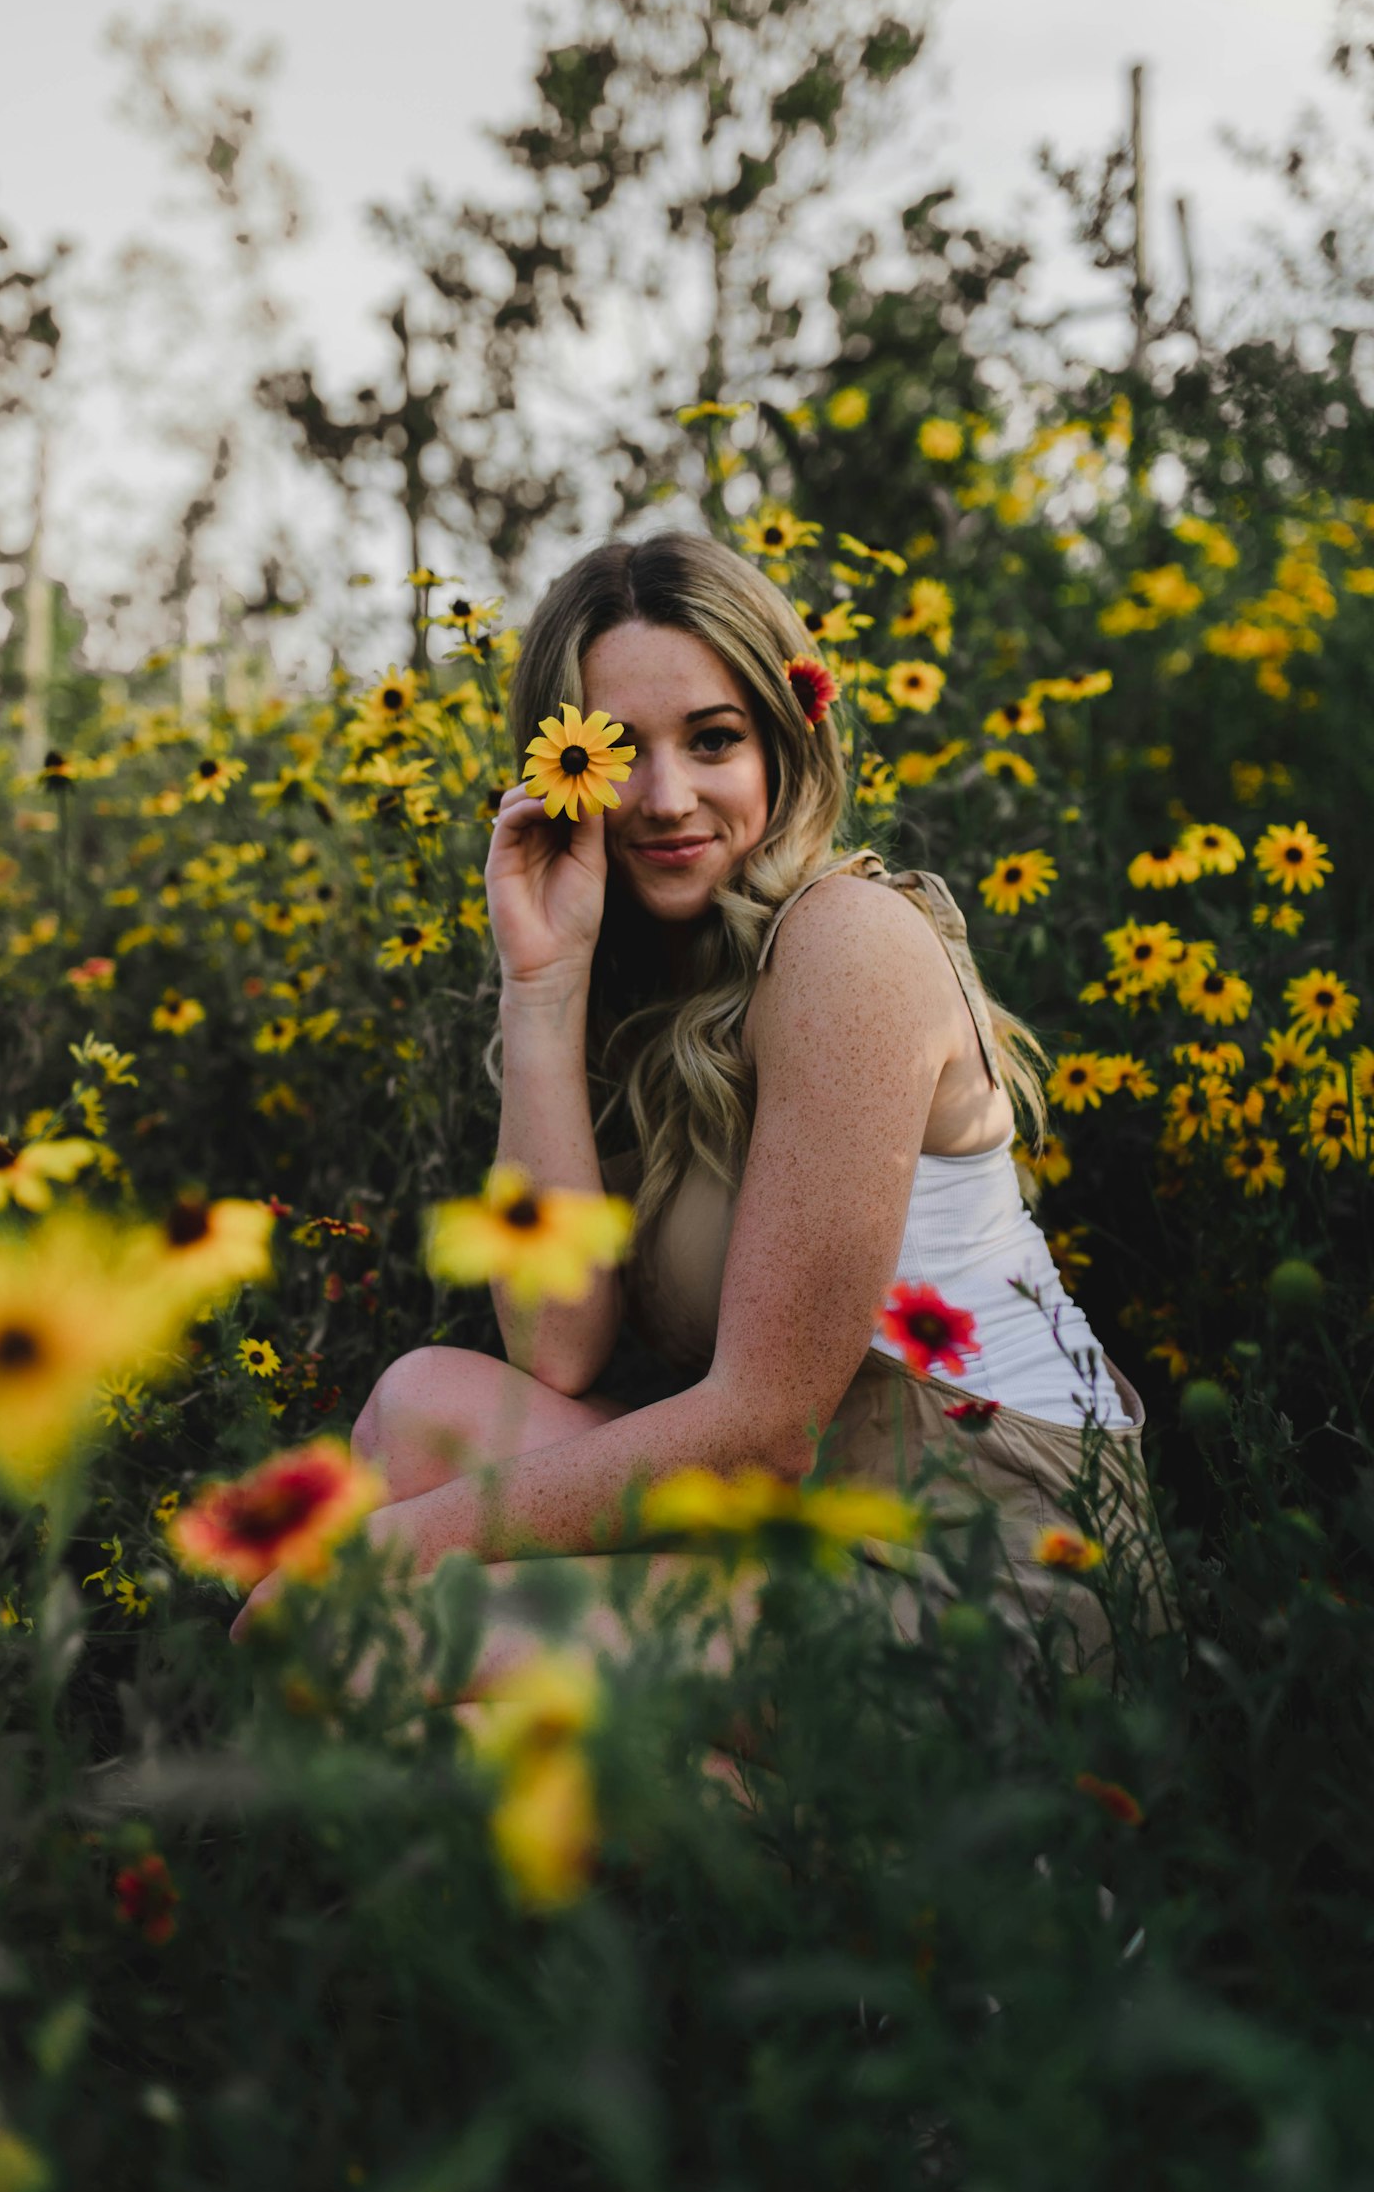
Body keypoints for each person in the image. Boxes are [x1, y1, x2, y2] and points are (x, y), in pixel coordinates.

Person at [234, 531, 1178, 1682]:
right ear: (560, 770)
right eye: (615, 752)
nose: (664, 798)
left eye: (714, 740)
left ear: (784, 742)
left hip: (984, 1557)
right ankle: (733, 1807)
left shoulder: (846, 943)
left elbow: (767, 1427)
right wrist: (541, 984)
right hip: (804, 1518)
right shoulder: (660, 985)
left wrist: (389, 1553)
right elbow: (560, 1346)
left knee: (381, 1640)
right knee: (421, 1407)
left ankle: (894, 1833)